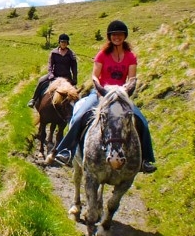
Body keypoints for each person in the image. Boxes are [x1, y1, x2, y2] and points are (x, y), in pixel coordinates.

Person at [54, 20, 157, 173]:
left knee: (142, 121)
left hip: (121, 95)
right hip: (101, 94)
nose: (117, 37)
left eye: (120, 34)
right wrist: (101, 89)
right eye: (114, 35)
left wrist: (127, 89)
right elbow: (95, 76)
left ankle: (146, 159)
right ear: (109, 36)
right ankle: (66, 151)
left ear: (124, 36)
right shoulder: (102, 54)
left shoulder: (130, 56)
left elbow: (132, 78)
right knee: (79, 116)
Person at [27, 33, 78, 108]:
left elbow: (74, 67)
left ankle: (78, 105)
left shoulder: (71, 54)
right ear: (59, 42)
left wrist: (74, 78)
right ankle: (34, 99)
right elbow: (50, 65)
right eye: (62, 42)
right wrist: (51, 74)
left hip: (66, 77)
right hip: (55, 75)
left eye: (65, 42)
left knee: (74, 91)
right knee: (41, 80)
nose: (63, 44)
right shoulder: (54, 53)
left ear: (67, 43)